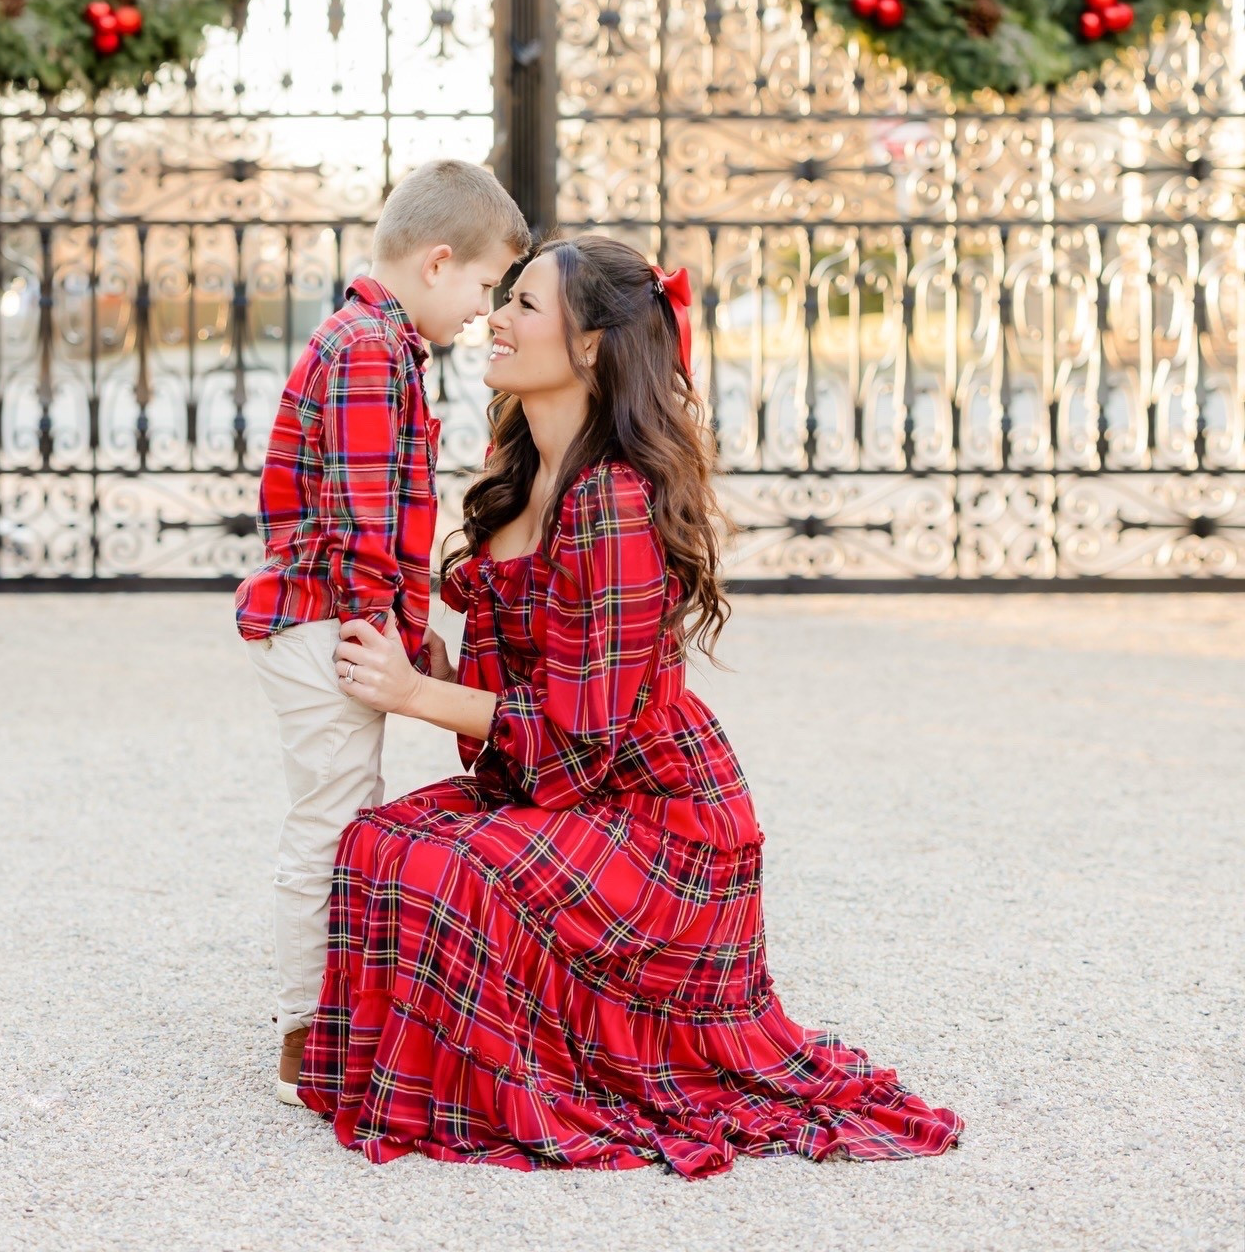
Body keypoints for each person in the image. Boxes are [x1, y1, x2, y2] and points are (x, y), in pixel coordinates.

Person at [308, 234, 964, 1176]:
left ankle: (544, 1077)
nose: (495, 317)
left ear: (591, 347)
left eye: (525, 305)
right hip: (567, 796)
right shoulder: (520, 477)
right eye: (504, 299)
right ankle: (481, 1068)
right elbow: (515, 707)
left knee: (443, 875)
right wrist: (430, 656)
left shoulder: (610, 499)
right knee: (379, 843)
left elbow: (577, 745)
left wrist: (419, 696)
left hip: (658, 823)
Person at [236, 159, 530, 1103]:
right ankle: (302, 1035)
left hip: (340, 613)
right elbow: (366, 526)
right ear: (439, 262)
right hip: (329, 618)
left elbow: (382, 517)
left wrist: (417, 631)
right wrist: (387, 634)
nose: (487, 312)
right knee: (328, 820)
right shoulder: (367, 347)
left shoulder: (379, 342)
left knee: (343, 808)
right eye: (487, 286)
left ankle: (327, 1016)